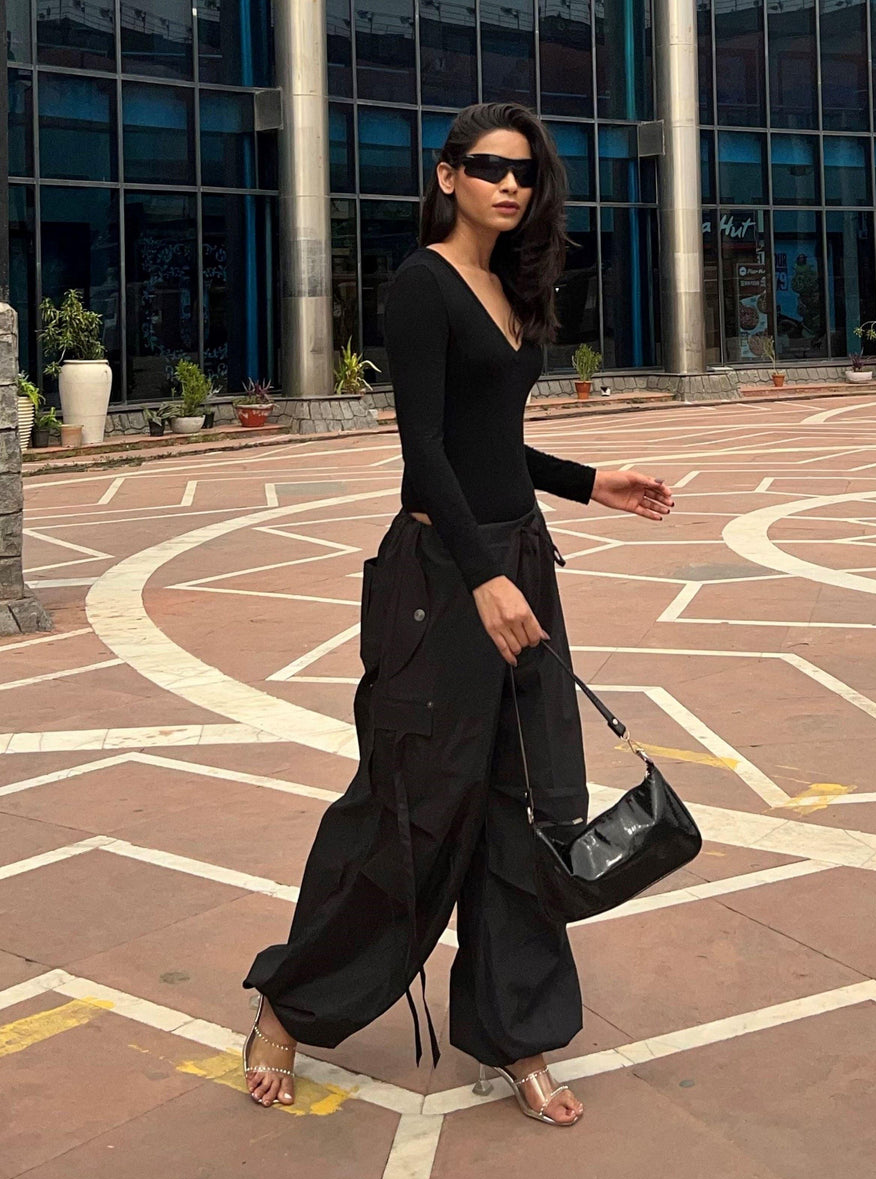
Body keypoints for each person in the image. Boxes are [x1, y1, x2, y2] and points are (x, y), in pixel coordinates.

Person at [242, 101, 673, 1127]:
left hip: (517, 558)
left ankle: (516, 1033)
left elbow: (491, 438)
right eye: (487, 167)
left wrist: (589, 483)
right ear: (446, 177)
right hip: (443, 579)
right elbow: (425, 450)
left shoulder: (513, 286)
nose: (508, 184)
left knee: (528, 805)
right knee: (413, 804)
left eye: (523, 171)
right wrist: (482, 577)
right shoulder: (421, 284)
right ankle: (289, 1009)